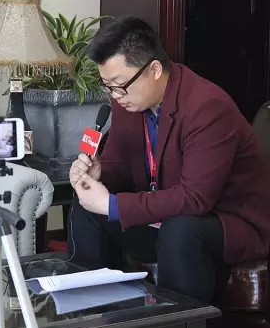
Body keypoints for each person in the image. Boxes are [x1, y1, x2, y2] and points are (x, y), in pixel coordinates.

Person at [68, 16, 270, 302]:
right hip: (165, 217)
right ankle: (90, 309)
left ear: (153, 69)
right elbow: (119, 164)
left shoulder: (207, 108)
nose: (116, 96)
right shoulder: (128, 101)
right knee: (87, 207)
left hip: (227, 223)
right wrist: (100, 175)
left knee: (181, 228)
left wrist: (113, 205)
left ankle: (181, 325)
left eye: (119, 85)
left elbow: (195, 198)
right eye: (108, 86)